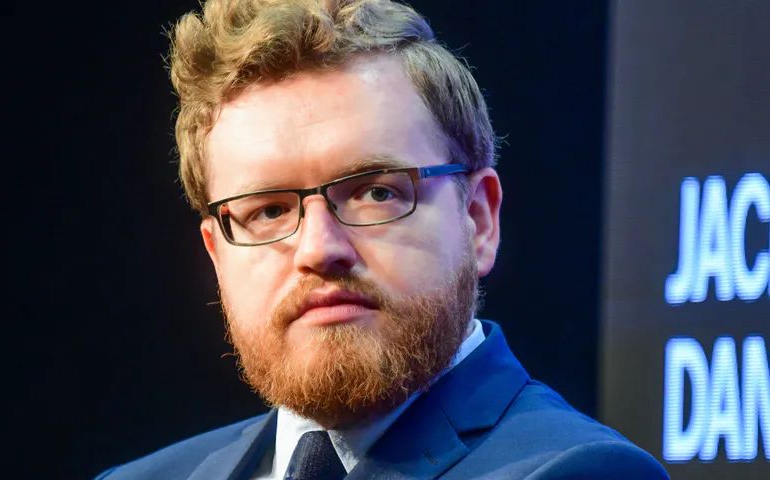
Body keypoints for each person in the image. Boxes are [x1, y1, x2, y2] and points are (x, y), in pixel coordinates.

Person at [98, 0, 669, 478]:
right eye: (268, 210)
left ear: (479, 219)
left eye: (376, 192)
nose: (319, 249)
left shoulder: (580, 470)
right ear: (217, 255)